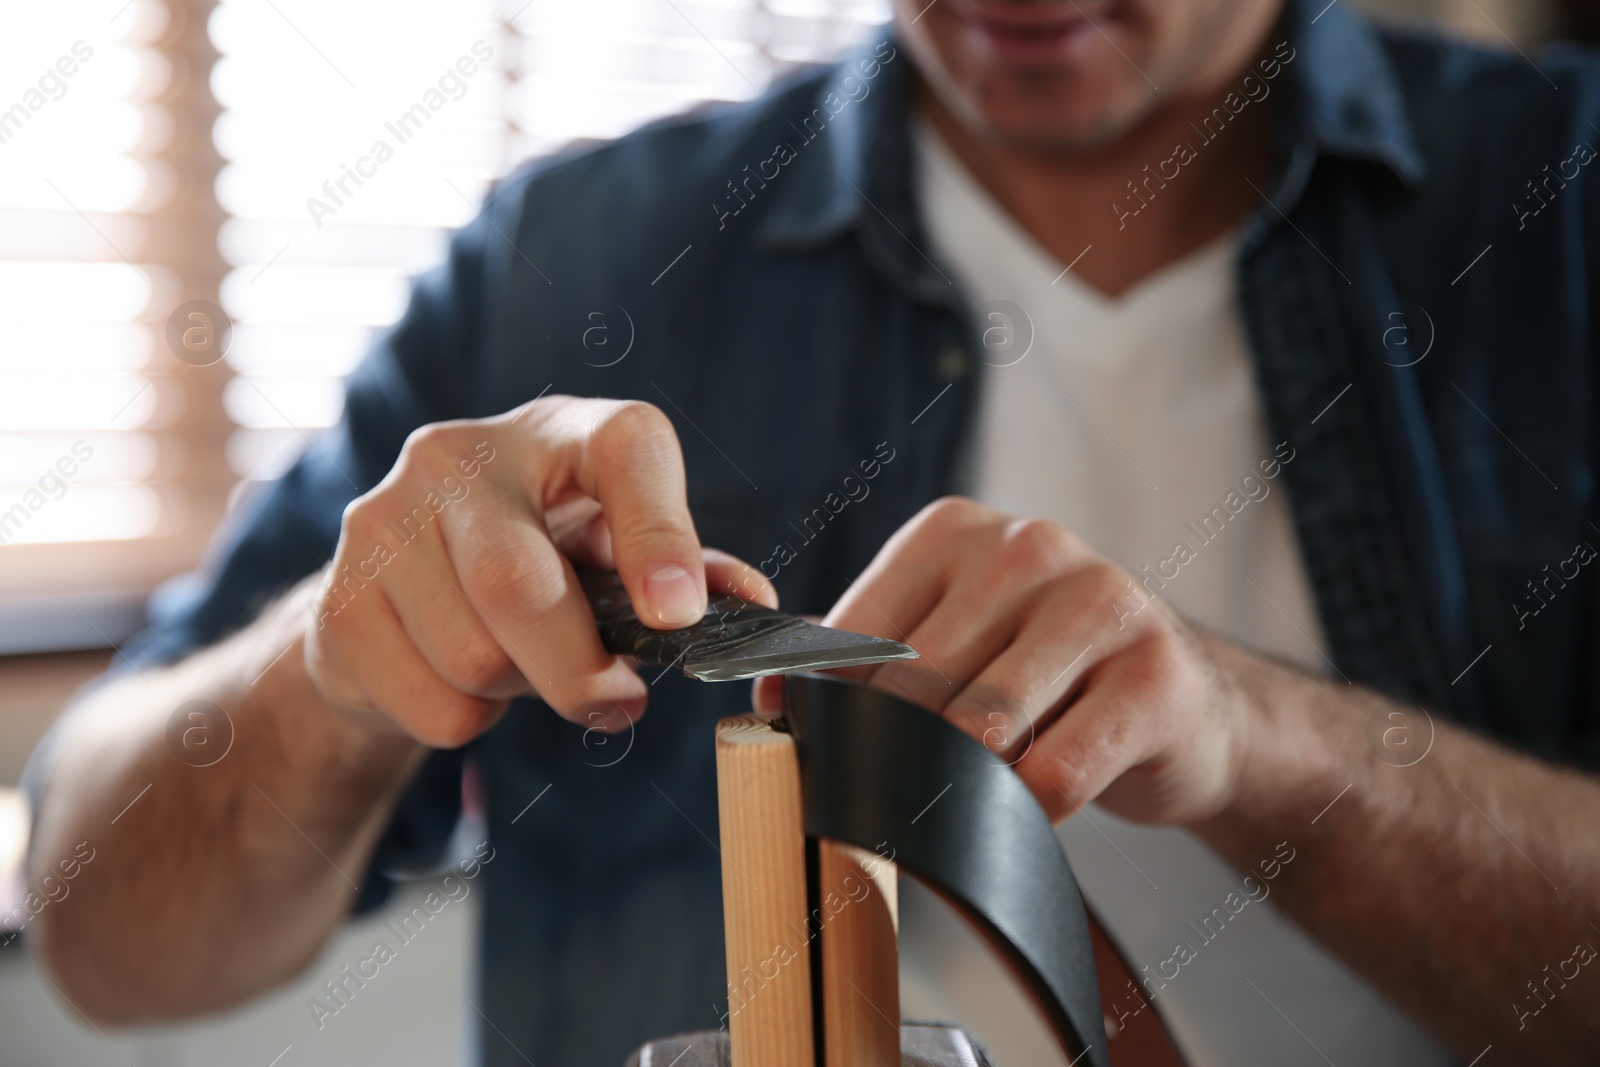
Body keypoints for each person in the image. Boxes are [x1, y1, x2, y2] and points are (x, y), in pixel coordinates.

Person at [21, 0, 1600, 1062]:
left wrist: (1285, 753)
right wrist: (328, 674)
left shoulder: (1563, 209)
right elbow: (100, 938)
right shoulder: (569, 266)